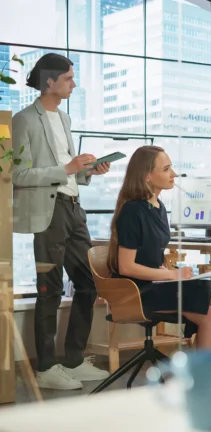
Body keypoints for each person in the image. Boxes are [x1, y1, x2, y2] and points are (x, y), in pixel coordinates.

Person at [12, 53, 111, 390]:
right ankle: (45, 367)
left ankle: (72, 360)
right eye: (68, 78)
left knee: (88, 283)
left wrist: (87, 172)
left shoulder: (64, 119)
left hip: (73, 207)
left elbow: (69, 170)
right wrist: (67, 169)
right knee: (50, 288)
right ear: (50, 81)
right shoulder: (24, 120)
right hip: (48, 211)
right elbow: (19, 175)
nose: (73, 83)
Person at [107, 146, 211, 351]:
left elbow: (151, 257)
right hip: (136, 290)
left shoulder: (158, 207)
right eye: (166, 169)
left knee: (208, 314)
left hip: (156, 283)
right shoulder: (133, 211)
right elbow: (126, 267)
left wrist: (171, 273)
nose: (174, 174)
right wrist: (171, 275)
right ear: (147, 176)